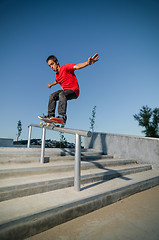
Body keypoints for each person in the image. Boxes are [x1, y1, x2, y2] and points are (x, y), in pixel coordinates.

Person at [40, 53, 99, 124]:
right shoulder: (57, 75)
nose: (51, 67)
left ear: (57, 62)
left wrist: (88, 63)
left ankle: (62, 117)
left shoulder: (65, 67)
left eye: (52, 64)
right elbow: (56, 81)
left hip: (74, 91)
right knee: (52, 96)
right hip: (65, 91)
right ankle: (50, 116)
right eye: (50, 66)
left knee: (62, 94)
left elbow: (76, 67)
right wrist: (51, 85)